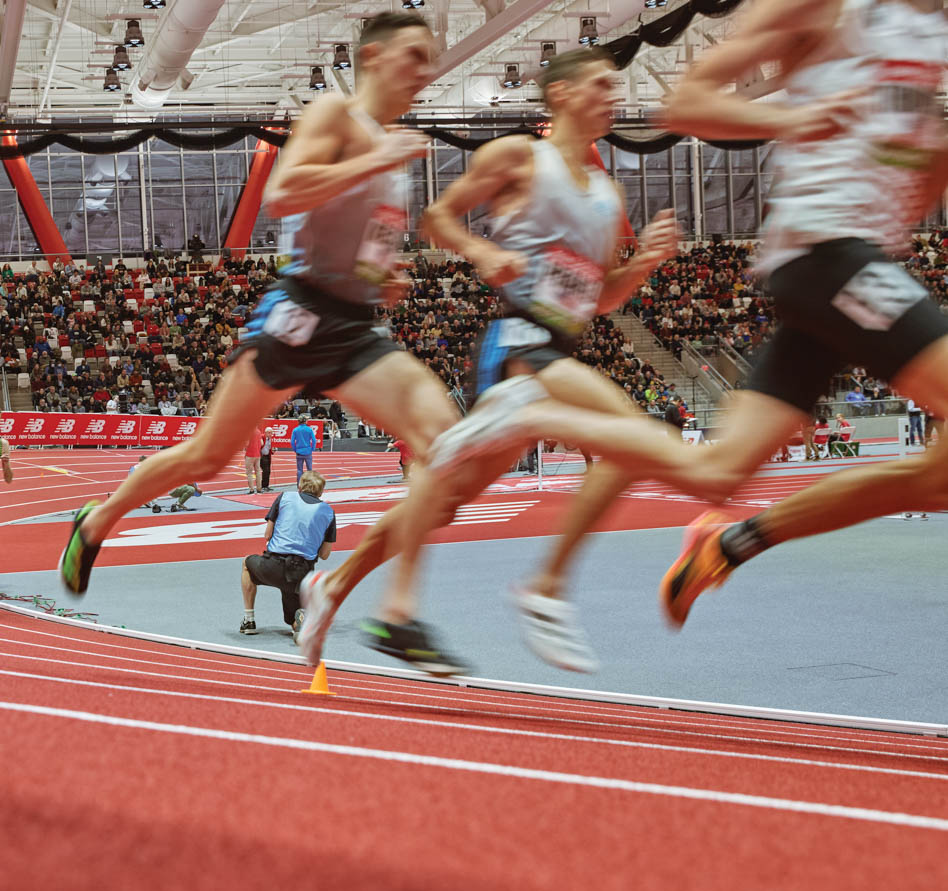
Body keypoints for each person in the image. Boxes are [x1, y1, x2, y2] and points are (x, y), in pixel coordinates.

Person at [295, 46, 733, 674]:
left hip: (560, 343)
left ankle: (333, 584)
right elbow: (437, 218)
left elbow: (600, 298)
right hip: (516, 344)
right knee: (633, 438)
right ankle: (546, 588)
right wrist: (481, 251)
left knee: (443, 501)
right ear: (561, 95)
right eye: (603, 85)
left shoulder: (608, 195)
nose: (616, 95)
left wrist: (645, 265)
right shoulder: (519, 157)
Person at [60, 12, 472, 656]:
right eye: (414, 55)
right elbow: (285, 195)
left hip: (357, 328)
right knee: (208, 457)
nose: (426, 70)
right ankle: (99, 519)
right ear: (374, 57)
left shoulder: (398, 149)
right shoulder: (338, 116)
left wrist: (384, 274)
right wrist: (373, 161)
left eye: (430, 58)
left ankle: (397, 611)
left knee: (446, 448)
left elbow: (357, 235)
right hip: (297, 314)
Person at [656, 0, 948, 624]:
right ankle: (535, 408)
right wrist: (798, 116)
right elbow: (686, 104)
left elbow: (923, 178)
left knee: (718, 469)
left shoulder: (933, 30)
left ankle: (729, 542)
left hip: (853, 265)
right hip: (830, 256)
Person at [240, 471, 336, 641]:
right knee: (292, 613)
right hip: (301, 574)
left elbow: (267, 535)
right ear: (321, 492)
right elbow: (324, 554)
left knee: (247, 563)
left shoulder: (285, 497)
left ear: (299, 486)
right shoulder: (328, 512)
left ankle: (249, 621)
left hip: (272, 566)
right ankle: (299, 623)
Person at [244, 425, 264, 494]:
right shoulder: (258, 432)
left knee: (249, 472)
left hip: (250, 454)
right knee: (258, 472)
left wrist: (245, 447)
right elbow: (262, 443)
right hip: (257, 454)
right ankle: (259, 488)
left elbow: (247, 443)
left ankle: (251, 489)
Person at [258, 426, 274, 492]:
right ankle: (263, 486)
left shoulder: (270, 439)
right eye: (269, 433)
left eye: (271, 433)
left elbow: (269, 447)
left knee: (268, 471)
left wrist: (272, 451)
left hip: (268, 456)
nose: (270, 434)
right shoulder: (262, 437)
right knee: (265, 471)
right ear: (265, 433)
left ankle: (266, 486)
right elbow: (260, 445)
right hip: (262, 456)